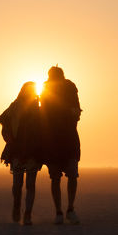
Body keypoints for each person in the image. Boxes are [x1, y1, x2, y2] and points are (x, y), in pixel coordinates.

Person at [0, 81, 45, 225]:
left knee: (30, 184)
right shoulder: (15, 107)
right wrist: (10, 141)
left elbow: (44, 130)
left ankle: (28, 214)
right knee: (17, 184)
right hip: (17, 150)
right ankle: (17, 208)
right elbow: (5, 126)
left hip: (33, 151)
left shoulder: (38, 109)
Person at [40, 66, 82, 224]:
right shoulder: (48, 89)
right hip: (60, 139)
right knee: (66, 176)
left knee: (59, 177)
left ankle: (63, 211)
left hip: (58, 140)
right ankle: (66, 210)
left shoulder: (66, 87)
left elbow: (76, 111)